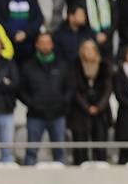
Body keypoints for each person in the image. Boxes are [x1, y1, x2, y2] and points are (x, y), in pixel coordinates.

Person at [19, 31, 72, 165]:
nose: (45, 46)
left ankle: (61, 183)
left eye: (47, 43)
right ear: (36, 45)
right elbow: (21, 90)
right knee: (31, 152)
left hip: (58, 115)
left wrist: (63, 103)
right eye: (42, 43)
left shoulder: (62, 65)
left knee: (59, 152)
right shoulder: (28, 66)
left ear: (52, 45)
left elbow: (70, 87)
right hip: (35, 115)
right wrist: (31, 103)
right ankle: (27, 183)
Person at [67, 39, 110, 164]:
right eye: (86, 49)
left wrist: (98, 106)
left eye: (92, 49)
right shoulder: (75, 66)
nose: (89, 52)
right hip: (80, 112)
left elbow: (107, 89)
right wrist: (87, 107)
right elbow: (74, 90)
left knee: (100, 146)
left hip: (101, 112)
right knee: (80, 147)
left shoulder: (104, 66)